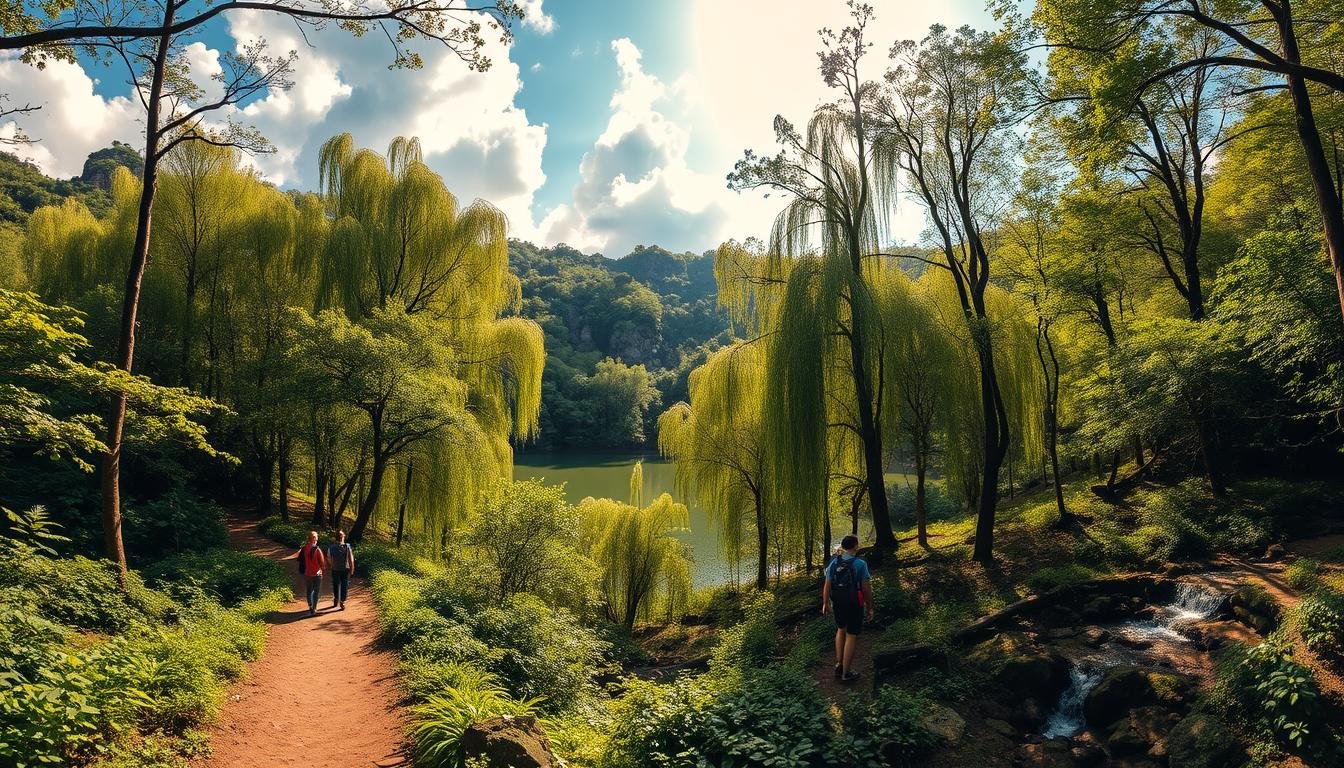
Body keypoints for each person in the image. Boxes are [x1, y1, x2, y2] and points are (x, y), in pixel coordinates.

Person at [821, 534, 873, 683]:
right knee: (851, 635)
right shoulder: (860, 564)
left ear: (843, 547)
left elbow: (827, 584)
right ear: (855, 546)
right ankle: (846, 673)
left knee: (840, 629)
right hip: (854, 603)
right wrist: (870, 607)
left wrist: (826, 603)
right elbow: (866, 589)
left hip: (838, 602)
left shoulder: (834, 562)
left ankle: (839, 664)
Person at [296, 531, 327, 616]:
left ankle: (310, 605)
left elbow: (299, 559)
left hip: (307, 573)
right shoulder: (317, 549)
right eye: (316, 538)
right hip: (317, 573)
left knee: (309, 590)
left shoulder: (304, 548)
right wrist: (322, 570)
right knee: (316, 591)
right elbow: (322, 563)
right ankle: (314, 608)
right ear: (315, 539)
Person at [326, 530, 354, 610]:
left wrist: (332, 565)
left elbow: (328, 557)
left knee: (336, 584)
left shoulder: (331, 547)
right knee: (344, 585)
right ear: (344, 536)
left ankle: (336, 599)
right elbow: (351, 558)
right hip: (345, 569)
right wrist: (352, 568)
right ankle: (342, 601)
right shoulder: (347, 546)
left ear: (335, 537)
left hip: (335, 568)